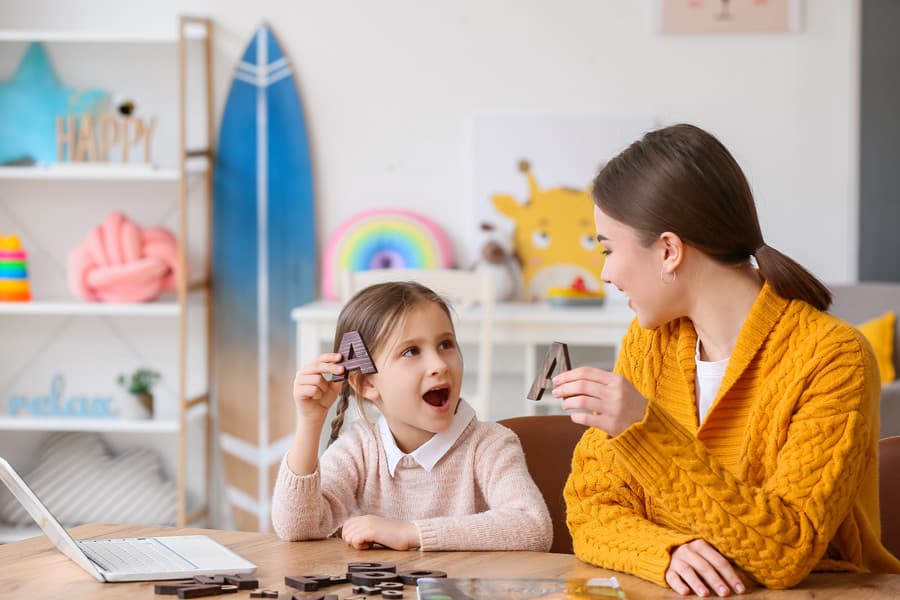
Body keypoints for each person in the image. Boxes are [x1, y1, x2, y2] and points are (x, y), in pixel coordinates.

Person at [557, 124, 900, 596]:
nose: (606, 273)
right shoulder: (646, 344)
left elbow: (785, 553)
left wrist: (643, 429)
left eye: (608, 249)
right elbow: (589, 509)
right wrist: (666, 550)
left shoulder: (834, 357)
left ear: (669, 250)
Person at [271, 281, 552, 552]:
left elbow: (533, 526)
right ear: (367, 384)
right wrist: (310, 421)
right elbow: (297, 527)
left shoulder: (491, 444)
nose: (439, 365)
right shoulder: (359, 449)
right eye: (411, 351)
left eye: (445, 344)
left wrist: (411, 533)